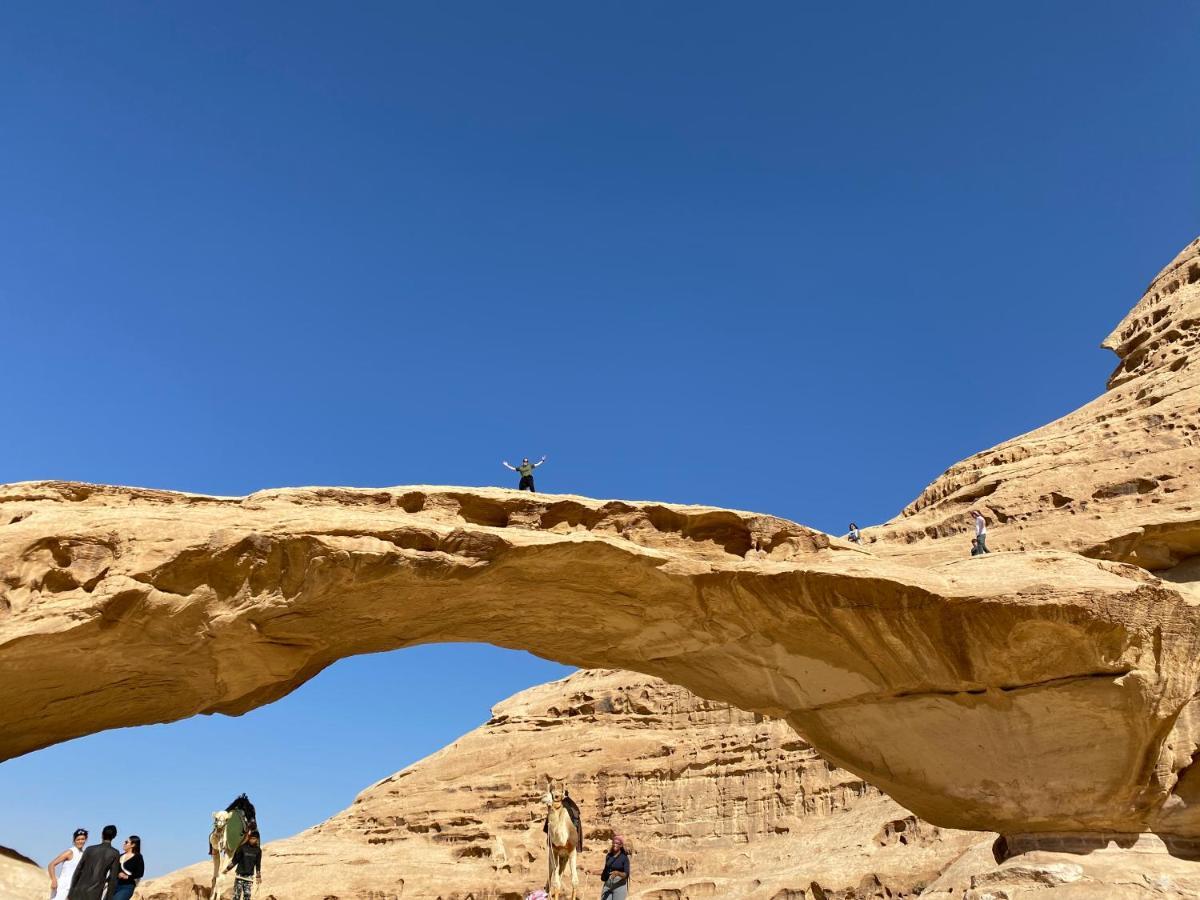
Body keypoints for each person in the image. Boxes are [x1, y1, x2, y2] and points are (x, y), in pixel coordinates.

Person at [67, 824, 121, 900]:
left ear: (102, 834)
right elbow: (112, 880)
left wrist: (71, 892)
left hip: (78, 890)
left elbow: (78, 871)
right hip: (95, 893)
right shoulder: (114, 853)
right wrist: (109, 898)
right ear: (114, 836)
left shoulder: (89, 849)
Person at [47, 828, 88, 900]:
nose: (80, 841)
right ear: (74, 840)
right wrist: (54, 880)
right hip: (63, 886)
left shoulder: (84, 854)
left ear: (85, 840)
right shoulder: (70, 852)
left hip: (74, 887)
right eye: (78, 839)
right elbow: (51, 864)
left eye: (82, 839)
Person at [224, 830, 263, 900]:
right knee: (236, 896)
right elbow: (235, 860)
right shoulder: (242, 848)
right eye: (251, 838)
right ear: (249, 838)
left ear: (257, 840)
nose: (252, 840)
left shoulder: (258, 851)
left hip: (249, 877)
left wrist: (258, 876)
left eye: (254, 839)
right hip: (239, 876)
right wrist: (227, 869)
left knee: (247, 896)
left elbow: (258, 864)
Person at [110, 835, 144, 900]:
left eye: (126, 842)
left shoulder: (138, 857)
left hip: (127, 886)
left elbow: (140, 873)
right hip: (115, 885)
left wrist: (127, 877)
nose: (124, 844)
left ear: (133, 845)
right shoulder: (119, 856)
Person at [599, 835, 630, 900]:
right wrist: (593, 872)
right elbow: (605, 870)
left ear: (621, 845)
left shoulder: (624, 858)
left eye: (617, 843)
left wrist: (618, 873)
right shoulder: (609, 856)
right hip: (608, 885)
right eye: (613, 843)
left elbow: (626, 874)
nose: (614, 844)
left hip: (619, 886)